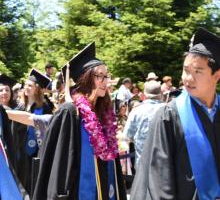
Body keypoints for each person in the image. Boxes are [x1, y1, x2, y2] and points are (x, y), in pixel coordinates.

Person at [130, 27, 220, 200]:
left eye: (197, 72)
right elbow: (159, 181)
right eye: (186, 70)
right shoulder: (169, 115)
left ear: (216, 75)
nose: (188, 78)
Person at [33, 42, 127, 200]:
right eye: (100, 76)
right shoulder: (70, 112)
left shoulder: (105, 113)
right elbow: (59, 164)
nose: (105, 80)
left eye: (107, 75)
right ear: (86, 79)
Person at [12, 69, 53, 195]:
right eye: (26, 85)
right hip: (19, 152)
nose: (27, 88)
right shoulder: (19, 106)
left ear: (37, 89)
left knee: (33, 184)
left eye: (30, 85)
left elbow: (48, 129)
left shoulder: (45, 107)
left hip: (36, 153)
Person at [123, 80, 164, 168]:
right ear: (160, 94)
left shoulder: (136, 111)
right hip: (165, 164)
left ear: (144, 95)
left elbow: (126, 137)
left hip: (143, 164)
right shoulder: (169, 110)